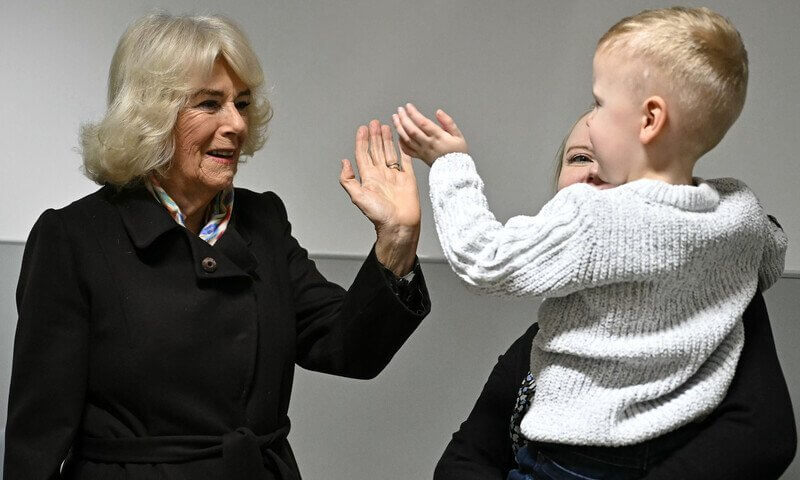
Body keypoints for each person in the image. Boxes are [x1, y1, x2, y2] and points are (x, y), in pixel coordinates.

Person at [4, 13, 429, 480]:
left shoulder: (263, 221)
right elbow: (38, 439)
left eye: (242, 104)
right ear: (149, 114)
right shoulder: (73, 238)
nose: (236, 124)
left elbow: (348, 348)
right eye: (210, 103)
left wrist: (397, 238)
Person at [393, 6, 787, 478]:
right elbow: (770, 256)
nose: (592, 122)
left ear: (649, 120)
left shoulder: (593, 218)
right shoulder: (739, 210)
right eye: (576, 158)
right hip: (668, 444)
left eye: (599, 103)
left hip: (576, 460)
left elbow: (482, 260)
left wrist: (450, 166)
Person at [433, 113, 797, 480]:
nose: (595, 170)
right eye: (579, 158)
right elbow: (464, 458)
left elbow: (765, 435)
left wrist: (451, 166)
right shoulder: (541, 345)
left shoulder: (716, 310)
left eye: (615, 158)